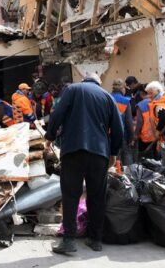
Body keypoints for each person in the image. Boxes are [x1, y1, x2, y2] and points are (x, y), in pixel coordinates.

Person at [45, 73, 123, 254]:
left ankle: (69, 240)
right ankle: (95, 239)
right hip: (99, 154)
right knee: (97, 196)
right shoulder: (107, 97)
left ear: (84, 81)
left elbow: (58, 113)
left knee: (71, 195)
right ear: (98, 82)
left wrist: (50, 136)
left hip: (73, 151)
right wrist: (113, 153)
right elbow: (118, 129)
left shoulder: (72, 89)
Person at [111, 79, 135, 166]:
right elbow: (129, 122)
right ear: (122, 89)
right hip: (122, 134)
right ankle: (129, 176)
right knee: (127, 154)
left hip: (108, 135)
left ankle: (113, 177)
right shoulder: (125, 101)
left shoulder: (106, 98)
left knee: (113, 158)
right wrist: (131, 137)